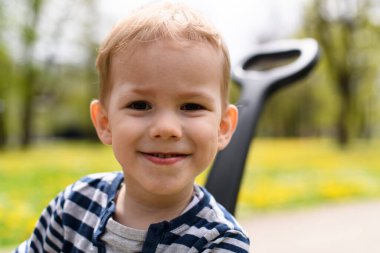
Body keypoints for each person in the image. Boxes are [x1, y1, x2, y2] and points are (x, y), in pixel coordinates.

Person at [15, 2, 250, 252]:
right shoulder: (74, 205)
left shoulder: (220, 242)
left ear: (223, 127)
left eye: (191, 106)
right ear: (105, 122)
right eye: (140, 105)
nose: (166, 128)